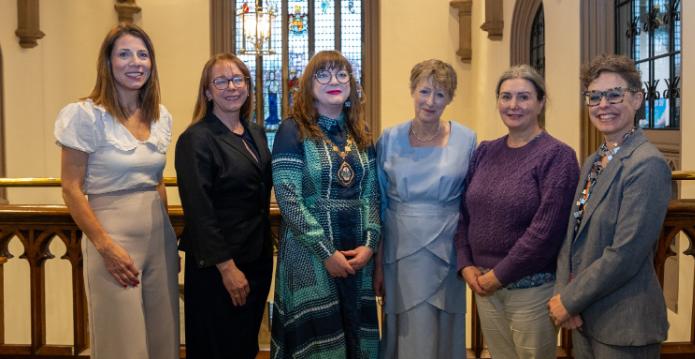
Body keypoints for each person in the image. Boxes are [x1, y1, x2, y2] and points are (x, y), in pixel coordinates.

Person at [55, 24, 178, 358]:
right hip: (111, 240)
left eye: (142, 54)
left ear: (152, 63)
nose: (135, 62)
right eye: (124, 54)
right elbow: (71, 189)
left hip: (159, 240)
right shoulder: (85, 116)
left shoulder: (159, 117)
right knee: (124, 345)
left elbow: (158, 181)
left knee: (163, 339)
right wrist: (106, 247)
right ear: (107, 62)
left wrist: (168, 239)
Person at [549, 54, 671, 358]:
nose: (603, 105)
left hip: (624, 325)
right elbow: (572, 234)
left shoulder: (648, 164)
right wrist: (565, 295)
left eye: (614, 94)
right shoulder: (594, 160)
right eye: (595, 96)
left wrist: (570, 300)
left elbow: (626, 253)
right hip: (585, 318)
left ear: (638, 99)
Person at [455, 65, 579, 359]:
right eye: (506, 96)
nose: (513, 105)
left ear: (540, 102)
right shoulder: (485, 151)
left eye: (523, 97)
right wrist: (465, 264)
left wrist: (499, 275)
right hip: (484, 286)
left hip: (531, 291)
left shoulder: (557, 156)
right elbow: (463, 212)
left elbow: (546, 232)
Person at [270, 50, 380, 359]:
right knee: (318, 343)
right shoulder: (292, 130)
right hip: (309, 256)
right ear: (308, 85)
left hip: (358, 255)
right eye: (323, 74)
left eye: (341, 74)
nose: (334, 81)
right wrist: (326, 252)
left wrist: (370, 245)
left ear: (351, 86)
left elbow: (372, 195)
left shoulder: (362, 133)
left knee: (356, 339)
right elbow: (288, 200)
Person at [375, 59, 475, 359]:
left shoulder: (467, 140)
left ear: (450, 99)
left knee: (442, 326)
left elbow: (473, 204)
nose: (431, 102)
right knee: (404, 327)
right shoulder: (388, 139)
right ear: (412, 91)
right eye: (424, 91)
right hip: (399, 251)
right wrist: (377, 265)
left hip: (447, 251)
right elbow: (379, 203)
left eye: (441, 94)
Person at [175, 53, 273, 359]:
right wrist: (226, 267)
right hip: (218, 267)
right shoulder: (196, 138)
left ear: (247, 85)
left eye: (238, 79)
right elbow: (199, 210)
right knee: (217, 347)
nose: (231, 87)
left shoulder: (255, 132)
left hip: (256, 256)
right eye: (221, 81)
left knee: (244, 346)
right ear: (207, 91)